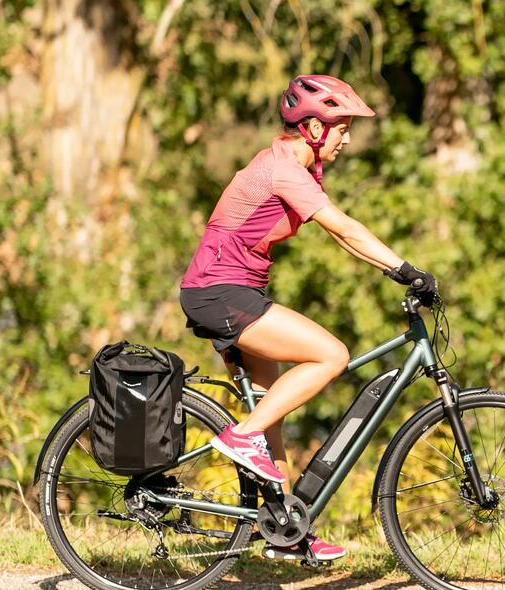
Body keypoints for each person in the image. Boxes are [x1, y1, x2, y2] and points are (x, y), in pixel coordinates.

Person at [177, 74, 440, 561]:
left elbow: (340, 237)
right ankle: (241, 435)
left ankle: (287, 525)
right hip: (220, 292)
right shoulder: (284, 168)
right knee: (331, 355)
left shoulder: (299, 167)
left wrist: (393, 271)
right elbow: (344, 226)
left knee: (272, 411)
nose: (347, 138)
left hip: (230, 290)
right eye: (342, 127)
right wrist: (406, 270)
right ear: (315, 127)